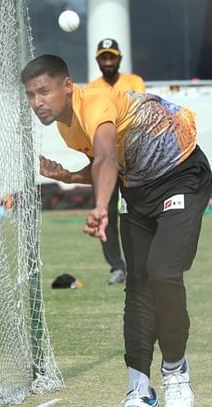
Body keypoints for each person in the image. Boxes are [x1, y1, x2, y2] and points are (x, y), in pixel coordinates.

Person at [22, 55, 211, 407]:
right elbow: (107, 166)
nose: (37, 101)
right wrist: (68, 176)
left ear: (67, 86)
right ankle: (140, 394)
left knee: (163, 273)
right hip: (137, 192)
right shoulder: (67, 129)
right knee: (138, 287)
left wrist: (98, 208)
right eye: (30, 95)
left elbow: (107, 157)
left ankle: (175, 370)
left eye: (44, 91)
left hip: (181, 175)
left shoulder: (95, 103)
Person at [86, 38, 146, 285]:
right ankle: (117, 266)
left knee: (137, 212)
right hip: (104, 158)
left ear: (119, 58)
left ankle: (140, 266)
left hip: (133, 157)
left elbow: (138, 114)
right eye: (103, 58)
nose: (108, 62)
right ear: (98, 60)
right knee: (106, 212)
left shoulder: (134, 82)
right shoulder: (91, 88)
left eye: (111, 57)